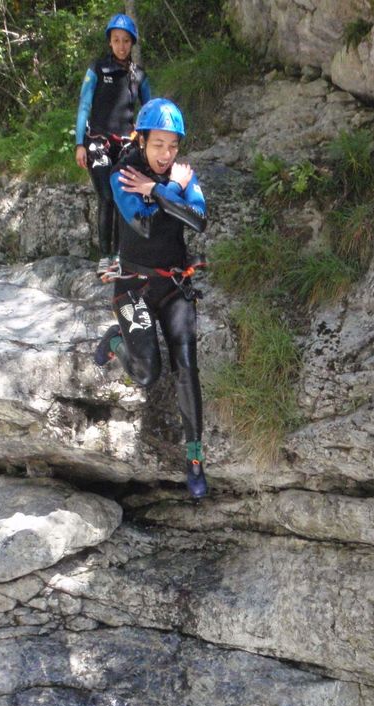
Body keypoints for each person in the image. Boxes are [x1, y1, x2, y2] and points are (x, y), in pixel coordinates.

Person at [93, 98, 209, 499]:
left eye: (173, 145)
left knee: (187, 365)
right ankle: (114, 340)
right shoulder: (122, 174)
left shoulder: (178, 175)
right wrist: (172, 191)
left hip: (175, 286)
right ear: (141, 140)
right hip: (133, 286)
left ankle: (194, 458)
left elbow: (198, 219)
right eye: (158, 144)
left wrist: (162, 189)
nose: (166, 154)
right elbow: (142, 225)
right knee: (146, 375)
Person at [75, 13, 151, 276]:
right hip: (97, 143)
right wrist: (79, 144)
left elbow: (148, 110)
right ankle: (105, 257)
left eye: (126, 41)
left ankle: (120, 257)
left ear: (132, 44)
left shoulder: (138, 75)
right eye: (116, 40)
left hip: (127, 145)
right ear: (110, 42)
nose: (121, 45)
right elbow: (84, 105)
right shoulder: (97, 69)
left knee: (123, 198)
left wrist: (147, 142)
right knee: (106, 197)